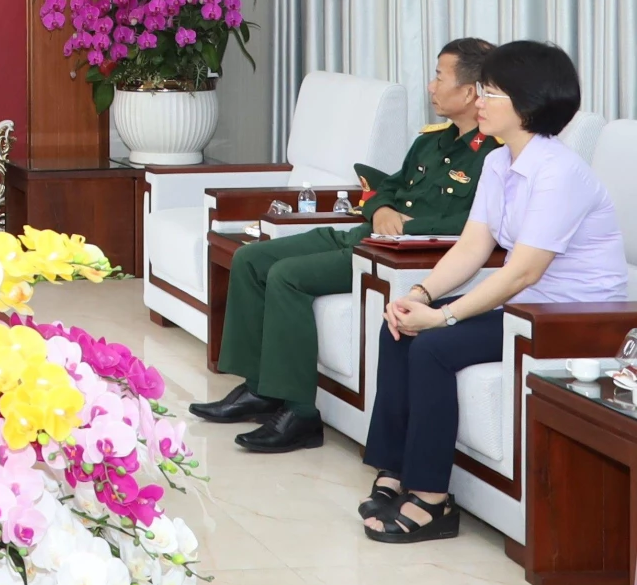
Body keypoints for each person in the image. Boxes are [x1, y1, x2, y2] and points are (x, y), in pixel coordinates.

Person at [359, 41, 626, 543]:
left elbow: (522, 272)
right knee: (399, 325)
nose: (478, 101)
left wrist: (443, 318)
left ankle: (432, 502)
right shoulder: (500, 162)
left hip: (575, 321)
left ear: (526, 104)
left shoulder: (559, 172)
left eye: (490, 92)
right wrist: (420, 294)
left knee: (433, 345)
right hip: (528, 311)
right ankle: (395, 472)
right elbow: (473, 246)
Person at [191, 38, 499, 452]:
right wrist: (382, 209)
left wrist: (407, 226)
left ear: (470, 91)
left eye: (440, 78)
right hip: (363, 235)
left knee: (287, 276)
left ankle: (300, 414)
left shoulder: (492, 156)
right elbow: (385, 186)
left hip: (393, 256)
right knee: (251, 258)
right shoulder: (430, 141)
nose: (431, 86)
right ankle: (260, 388)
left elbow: (476, 226)